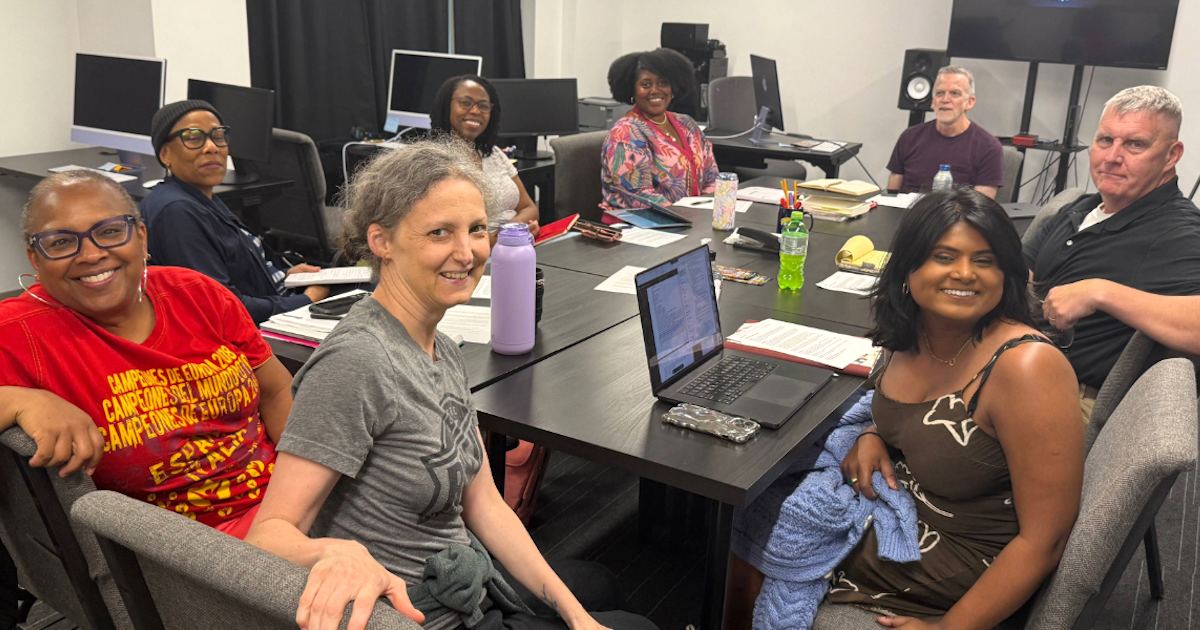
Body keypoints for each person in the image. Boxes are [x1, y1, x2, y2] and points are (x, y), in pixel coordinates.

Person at [246, 140, 655, 630]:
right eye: (440, 232)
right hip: (421, 615)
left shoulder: (440, 344)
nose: (467, 253)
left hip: (465, 585)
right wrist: (333, 553)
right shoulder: (356, 362)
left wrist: (576, 617)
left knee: (595, 588)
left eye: (477, 229)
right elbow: (267, 538)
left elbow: (484, 503)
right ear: (381, 241)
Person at [727, 189, 1083, 628]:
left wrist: (948, 629)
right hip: (908, 506)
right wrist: (872, 433)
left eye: (985, 260)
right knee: (760, 508)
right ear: (907, 268)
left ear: (1006, 274)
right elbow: (907, 416)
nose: (965, 273)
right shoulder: (914, 331)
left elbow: (1046, 540)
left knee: (770, 529)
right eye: (944, 257)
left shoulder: (1027, 368)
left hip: (966, 556)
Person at [0, 170, 293, 539]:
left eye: (110, 231)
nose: (91, 254)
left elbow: (276, 393)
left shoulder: (198, 293)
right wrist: (20, 401)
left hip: (287, 500)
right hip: (189, 549)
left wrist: (297, 499)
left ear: (140, 237)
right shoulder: (17, 331)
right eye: (60, 242)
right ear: (35, 258)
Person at [1025, 85, 1200, 422]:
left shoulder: (1179, 231)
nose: (1112, 157)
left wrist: (1101, 292)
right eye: (1105, 140)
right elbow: (1022, 274)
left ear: (1171, 155)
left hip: (1070, 398)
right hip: (1017, 367)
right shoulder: (1080, 208)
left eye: (1135, 144)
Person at [140, 99, 332, 324]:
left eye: (218, 136)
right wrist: (307, 300)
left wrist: (285, 276)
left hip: (276, 298)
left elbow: (236, 269)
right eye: (193, 138)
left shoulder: (200, 196)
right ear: (165, 154)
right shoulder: (176, 213)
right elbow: (222, 309)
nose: (212, 147)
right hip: (262, 328)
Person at [600, 48, 719, 213]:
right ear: (632, 90)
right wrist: (689, 217)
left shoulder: (687, 124)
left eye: (663, 83)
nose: (655, 90)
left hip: (692, 219)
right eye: (645, 84)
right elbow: (638, 196)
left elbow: (712, 177)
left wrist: (710, 211)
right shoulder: (625, 133)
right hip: (642, 222)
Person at [430, 75, 540, 240]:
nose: (476, 111)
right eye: (466, 103)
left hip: (515, 244)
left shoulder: (494, 153)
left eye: (483, 106)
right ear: (446, 106)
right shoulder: (435, 161)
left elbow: (529, 208)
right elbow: (448, 231)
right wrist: (504, 237)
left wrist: (513, 231)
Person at [887, 66, 1004, 199]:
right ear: (933, 101)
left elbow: (981, 206)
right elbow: (891, 195)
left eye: (955, 93)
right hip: (906, 211)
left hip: (956, 212)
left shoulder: (988, 147)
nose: (945, 100)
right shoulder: (909, 137)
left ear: (969, 102)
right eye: (940, 93)